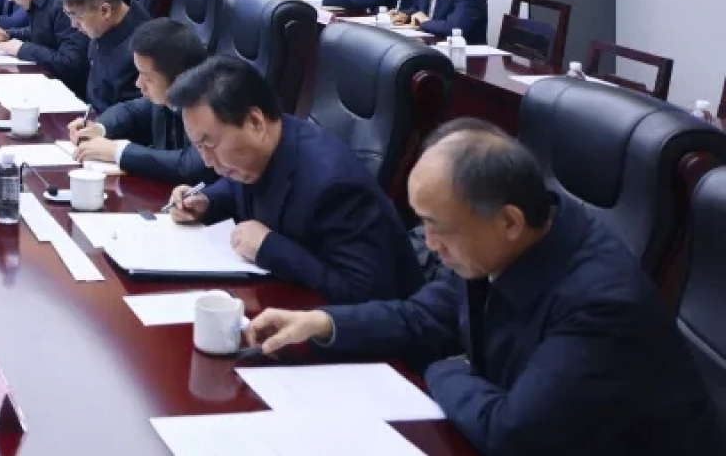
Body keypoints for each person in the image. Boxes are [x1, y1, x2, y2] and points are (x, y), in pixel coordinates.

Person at [247, 124, 725, 455]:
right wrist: (321, 323)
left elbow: (513, 432)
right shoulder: (506, 239)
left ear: (509, 222)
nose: (429, 245)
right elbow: (424, 316)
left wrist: (440, 368)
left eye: (438, 228)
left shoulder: (602, 305)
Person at [165, 56, 421, 304]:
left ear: (255, 122)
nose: (207, 161)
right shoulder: (261, 148)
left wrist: (269, 248)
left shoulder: (333, 186)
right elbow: (239, 185)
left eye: (210, 144)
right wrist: (207, 202)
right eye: (198, 146)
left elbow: (363, 292)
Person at [69, 18, 218, 186]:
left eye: (147, 78)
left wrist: (117, 151)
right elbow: (130, 110)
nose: (138, 84)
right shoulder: (165, 97)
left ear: (179, 79)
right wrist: (98, 128)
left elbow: (189, 165)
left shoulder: (211, 109)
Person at [59, 0, 149, 112]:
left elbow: (134, 115)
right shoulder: (103, 23)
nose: (73, 25)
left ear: (105, 11)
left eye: (78, 18)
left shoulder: (141, 50)